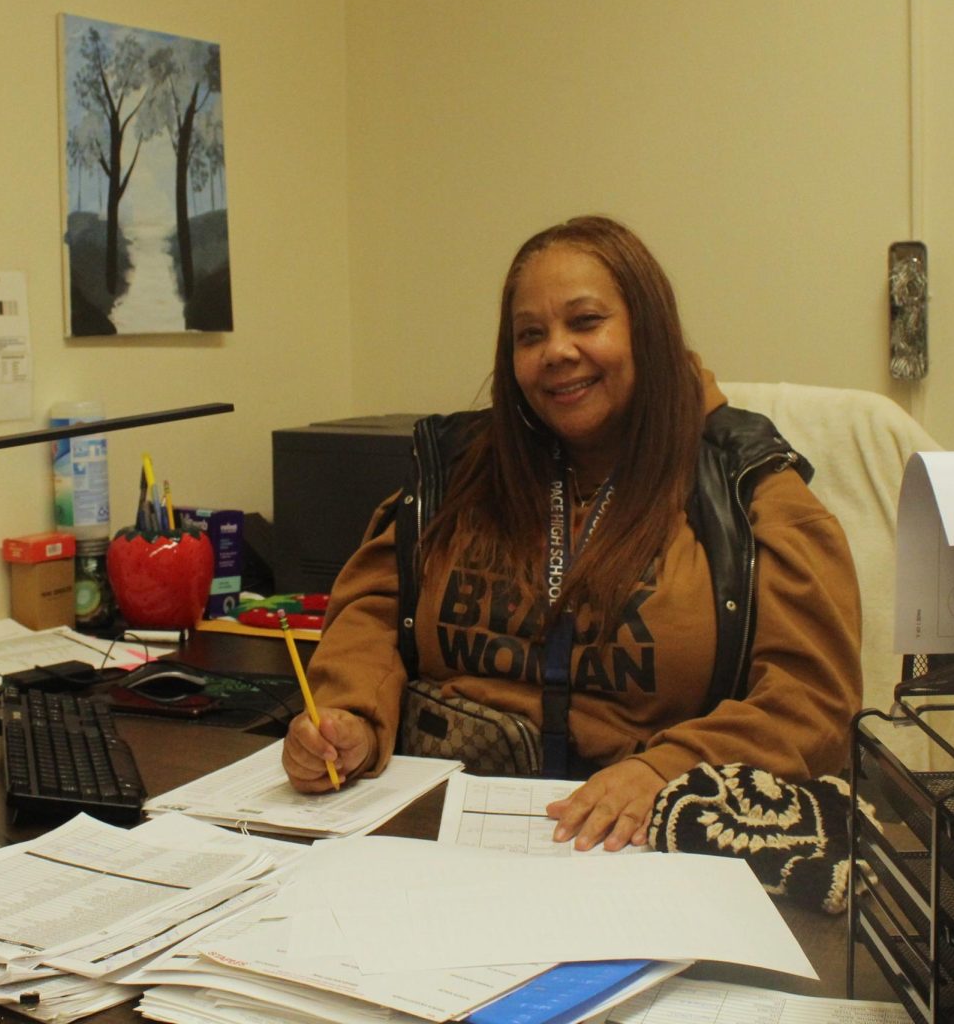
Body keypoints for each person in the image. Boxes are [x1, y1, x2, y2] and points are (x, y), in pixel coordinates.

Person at [281, 215, 862, 852]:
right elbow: (372, 613)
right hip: (440, 822)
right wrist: (352, 720)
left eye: (585, 322)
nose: (556, 351)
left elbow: (812, 702)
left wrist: (666, 769)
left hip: (632, 834)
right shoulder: (458, 472)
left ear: (650, 331)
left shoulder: (749, 488)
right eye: (531, 335)